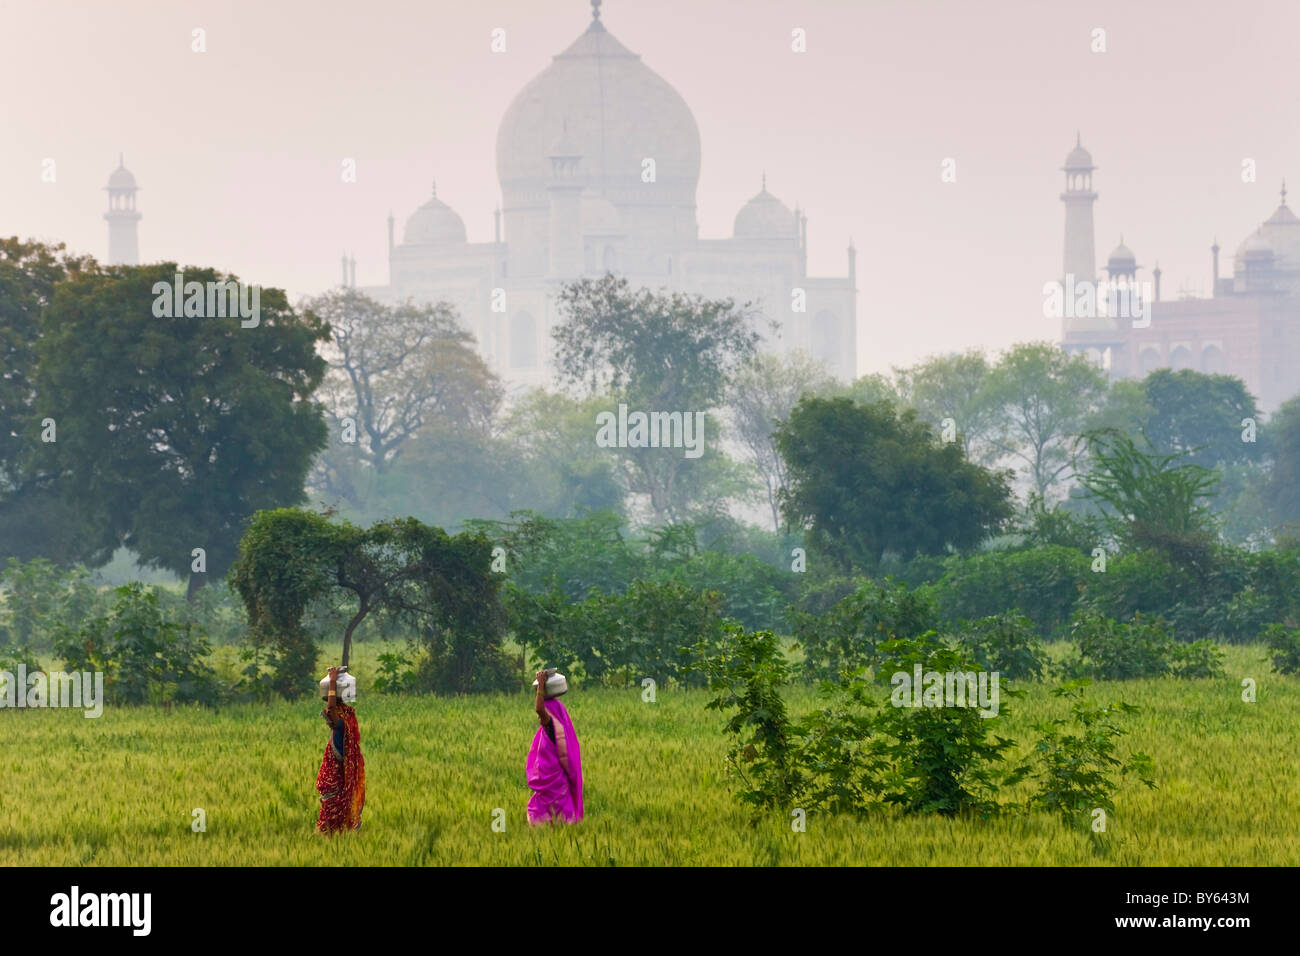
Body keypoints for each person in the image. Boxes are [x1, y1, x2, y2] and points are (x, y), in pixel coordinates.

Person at [526, 668, 583, 825]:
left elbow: (539, 709)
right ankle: (564, 827)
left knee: (541, 808)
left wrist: (541, 687)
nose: (540, 718)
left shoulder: (550, 724)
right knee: (562, 807)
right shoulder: (559, 726)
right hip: (557, 775)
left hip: (549, 774)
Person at [316, 665, 365, 833]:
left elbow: (331, 710)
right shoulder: (348, 717)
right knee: (341, 828)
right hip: (341, 784)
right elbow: (332, 710)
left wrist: (332, 682)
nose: (327, 719)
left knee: (330, 827)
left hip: (336, 786)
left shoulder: (341, 725)